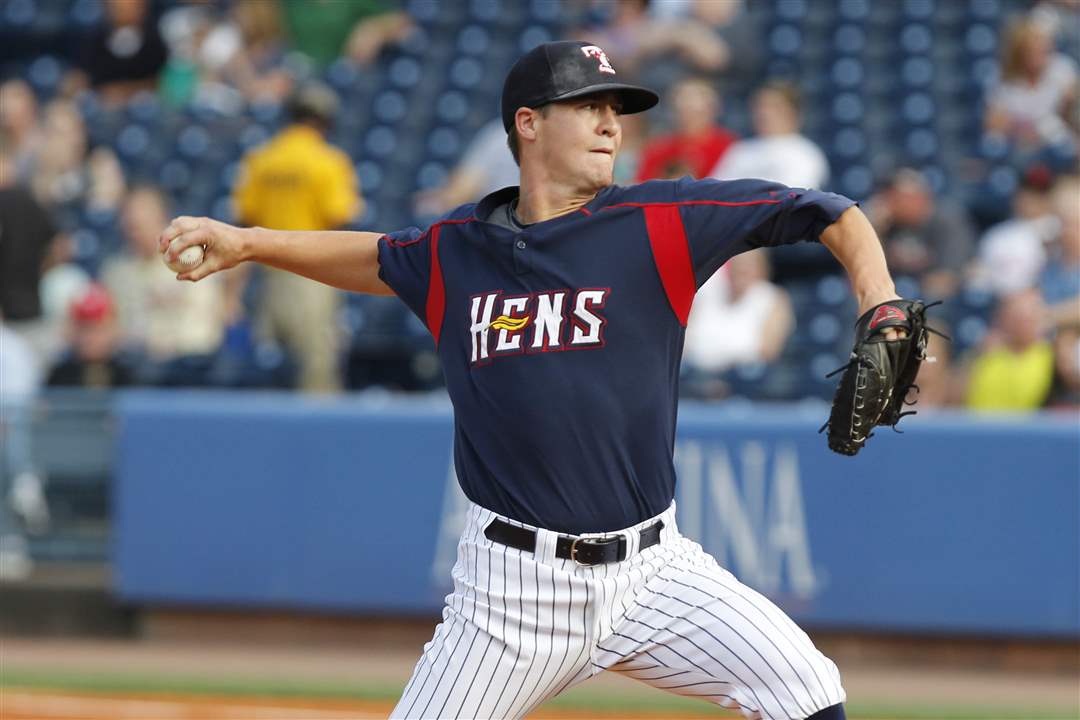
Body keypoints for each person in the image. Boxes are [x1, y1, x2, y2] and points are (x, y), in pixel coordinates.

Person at [162, 41, 913, 720]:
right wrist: (249, 242)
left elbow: (830, 214)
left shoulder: (660, 222)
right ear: (527, 123)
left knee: (806, 689)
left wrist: (879, 301)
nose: (611, 123)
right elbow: (373, 256)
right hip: (510, 594)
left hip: (656, 572)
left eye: (615, 109)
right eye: (587, 106)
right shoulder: (456, 250)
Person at [232, 82, 362, 392]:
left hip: (269, 273)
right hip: (312, 273)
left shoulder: (262, 160)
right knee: (317, 369)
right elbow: (341, 216)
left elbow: (245, 216)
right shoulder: (328, 161)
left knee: (269, 370)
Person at [101, 186, 228, 371]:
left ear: (162, 219)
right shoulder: (116, 272)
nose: (136, 226)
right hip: (133, 367)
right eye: (131, 222)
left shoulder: (193, 262)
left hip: (191, 366)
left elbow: (208, 329)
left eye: (143, 219)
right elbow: (109, 330)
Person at [865, 168, 976, 299]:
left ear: (920, 198)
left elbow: (949, 276)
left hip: (935, 298)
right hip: (894, 293)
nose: (888, 203)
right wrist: (873, 229)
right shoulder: (886, 223)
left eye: (896, 197)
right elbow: (866, 273)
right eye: (887, 196)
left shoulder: (946, 220)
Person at [682, 248, 794, 375]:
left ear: (761, 269)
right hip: (698, 373)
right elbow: (684, 340)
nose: (741, 271)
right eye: (737, 266)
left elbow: (768, 351)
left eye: (748, 266)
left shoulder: (773, 298)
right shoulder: (706, 291)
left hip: (744, 378)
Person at [710, 80, 829, 190]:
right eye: (759, 106)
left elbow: (795, 198)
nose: (764, 113)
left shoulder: (805, 153)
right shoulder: (739, 149)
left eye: (774, 106)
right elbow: (716, 192)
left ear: (794, 112)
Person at [984, 17, 1079, 152]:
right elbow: (994, 123)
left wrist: (1067, 106)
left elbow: (1070, 117)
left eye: (1044, 50)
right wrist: (1026, 129)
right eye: (1032, 50)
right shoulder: (1003, 77)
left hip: (1055, 145)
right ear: (1020, 52)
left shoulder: (1062, 69)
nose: (1039, 56)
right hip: (1018, 145)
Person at [964, 288, 1055, 411]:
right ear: (1003, 318)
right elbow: (955, 397)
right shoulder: (984, 353)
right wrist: (976, 356)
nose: (1022, 323)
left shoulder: (1053, 356)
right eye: (1016, 316)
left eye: (1029, 317)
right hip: (980, 427)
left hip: (1033, 429)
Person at [635, 76, 736, 181]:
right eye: (683, 111)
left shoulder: (729, 147)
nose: (689, 118)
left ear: (714, 110)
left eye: (697, 112)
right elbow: (644, 185)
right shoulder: (659, 147)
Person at [46, 283, 136, 389]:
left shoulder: (132, 372)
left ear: (115, 328)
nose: (91, 338)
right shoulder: (60, 373)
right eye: (84, 328)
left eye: (99, 328)